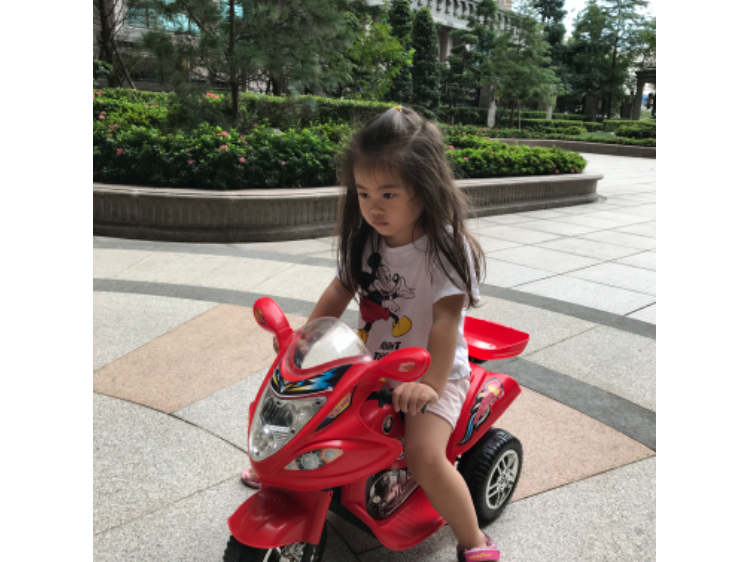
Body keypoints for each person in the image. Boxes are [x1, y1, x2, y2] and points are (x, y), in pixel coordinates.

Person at [241, 106, 498, 561]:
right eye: (363, 193)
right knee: (297, 410)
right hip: (369, 367)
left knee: (424, 457)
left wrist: (430, 384)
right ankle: (281, 473)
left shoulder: (444, 248)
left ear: (424, 188)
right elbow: (339, 290)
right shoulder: (366, 239)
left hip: (433, 374)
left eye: (388, 194)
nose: (373, 206)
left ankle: (474, 540)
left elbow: (445, 321)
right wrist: (302, 341)